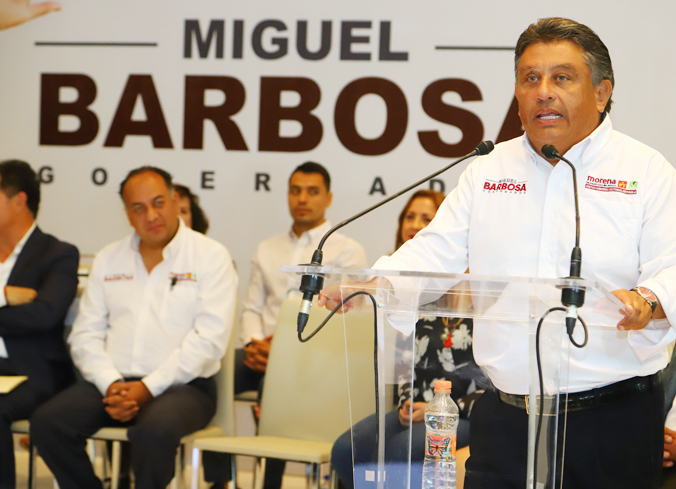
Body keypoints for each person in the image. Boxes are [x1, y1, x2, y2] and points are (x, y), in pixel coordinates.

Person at [320, 17, 676, 489]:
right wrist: (377, 283)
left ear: (601, 92)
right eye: (530, 79)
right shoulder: (488, 169)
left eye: (561, 78)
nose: (543, 92)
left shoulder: (645, 171)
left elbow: (671, 266)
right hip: (506, 418)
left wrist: (648, 301)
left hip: (610, 420)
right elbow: (436, 249)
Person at [31, 166, 238, 489]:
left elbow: (208, 341)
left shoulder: (210, 256)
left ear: (174, 201)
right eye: (138, 208)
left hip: (184, 388)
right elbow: (85, 334)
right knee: (47, 423)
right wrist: (110, 383)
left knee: (153, 432)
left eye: (158, 203)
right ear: (127, 214)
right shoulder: (109, 258)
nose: (151, 215)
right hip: (112, 384)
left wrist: (148, 387)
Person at [204, 162, 367, 489]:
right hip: (261, 351)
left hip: (316, 355)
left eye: (312, 191)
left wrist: (281, 350)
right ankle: (220, 479)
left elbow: (352, 314)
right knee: (210, 372)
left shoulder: (348, 250)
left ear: (328, 198)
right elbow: (252, 308)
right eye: (295, 191)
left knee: (273, 386)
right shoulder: (267, 248)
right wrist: (254, 344)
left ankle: (270, 482)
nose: (302, 198)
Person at [331, 189, 489, 489]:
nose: (416, 225)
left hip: (464, 413)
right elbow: (404, 362)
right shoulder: (409, 293)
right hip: (416, 409)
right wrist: (407, 404)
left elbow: (492, 383)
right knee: (346, 451)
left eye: (427, 219)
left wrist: (438, 407)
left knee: (401, 451)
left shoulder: (484, 295)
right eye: (410, 216)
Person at [0, 159, 78, 488]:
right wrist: (5, 295)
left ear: (19, 201)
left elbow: (45, 314)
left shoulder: (57, 254)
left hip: (31, 372)